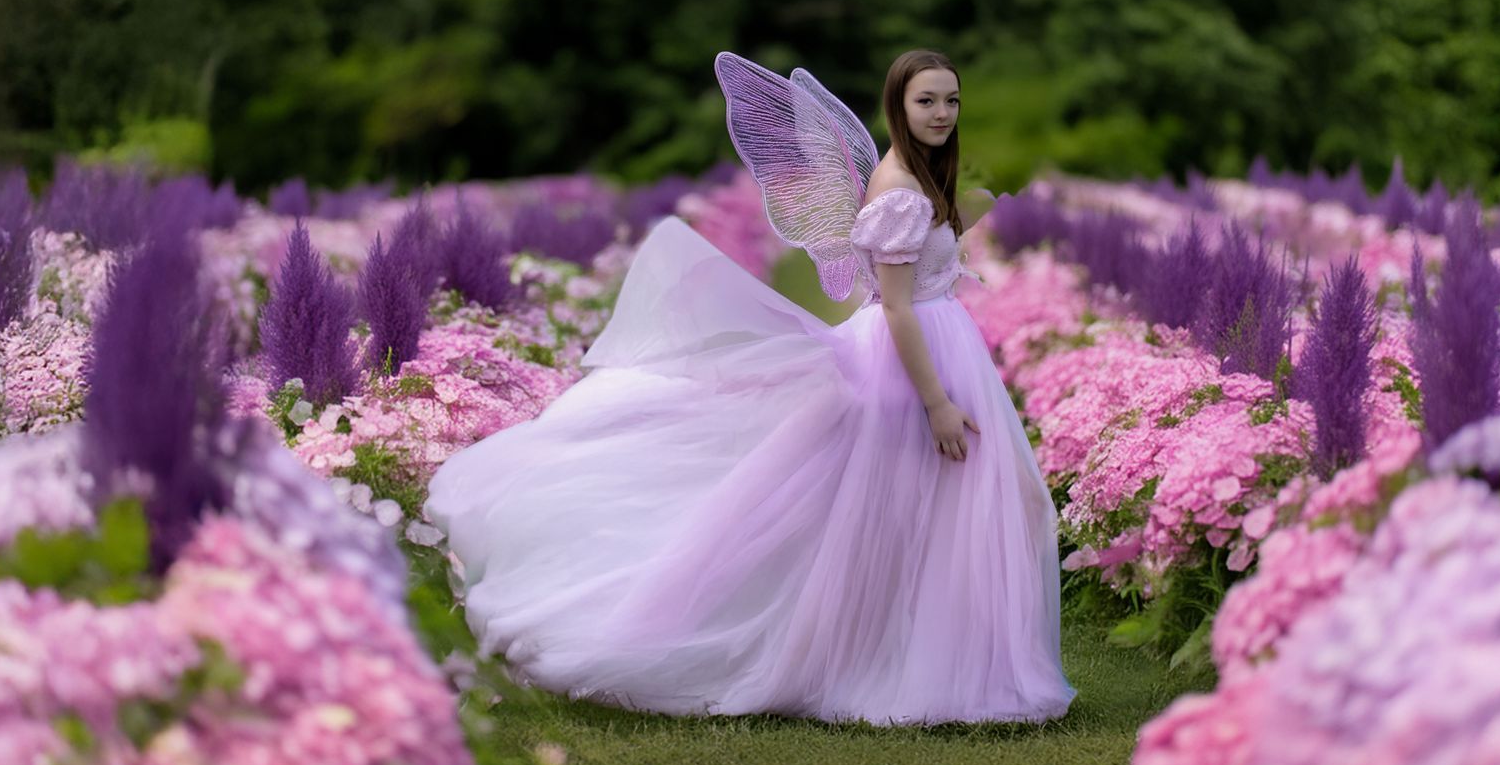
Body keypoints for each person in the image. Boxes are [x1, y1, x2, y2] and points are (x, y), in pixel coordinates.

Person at [423, 48, 1076, 726]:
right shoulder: (902, 192)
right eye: (926, 101)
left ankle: (919, 652)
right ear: (897, 107)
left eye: (951, 100)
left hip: (927, 347)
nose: (941, 113)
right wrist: (937, 400)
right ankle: (897, 662)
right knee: (928, 506)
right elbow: (897, 305)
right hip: (913, 360)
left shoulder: (915, 179)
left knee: (930, 512)